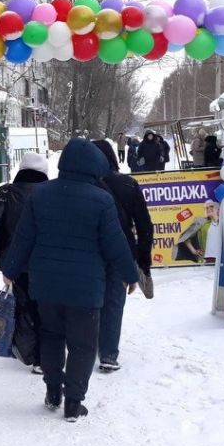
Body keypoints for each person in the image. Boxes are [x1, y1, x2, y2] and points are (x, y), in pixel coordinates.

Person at [2, 138, 138, 422]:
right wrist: (129, 274)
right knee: (83, 345)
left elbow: (24, 237)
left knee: (51, 336)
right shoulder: (102, 200)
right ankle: (73, 402)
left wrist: (10, 268)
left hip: (46, 285)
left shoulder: (41, 194)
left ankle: (53, 391)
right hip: (86, 289)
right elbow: (115, 244)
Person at [0, 151, 49, 371]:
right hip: (44, 260)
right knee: (44, 307)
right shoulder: (50, 192)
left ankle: (24, 348)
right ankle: (41, 357)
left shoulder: (7, 192)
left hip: (14, 261)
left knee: (23, 305)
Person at [93, 139, 155, 372]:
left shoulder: (86, 185)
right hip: (122, 251)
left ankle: (86, 345)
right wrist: (143, 261)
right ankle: (108, 353)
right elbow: (144, 225)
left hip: (92, 251)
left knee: (89, 300)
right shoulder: (128, 184)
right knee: (113, 302)